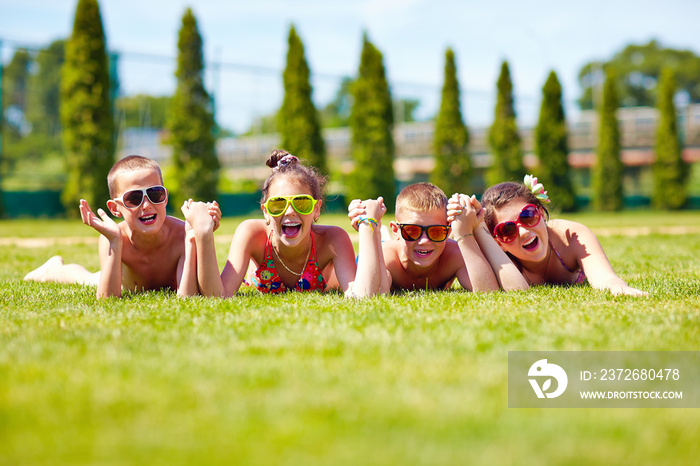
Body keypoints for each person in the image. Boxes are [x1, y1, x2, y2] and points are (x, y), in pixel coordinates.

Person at [182, 150, 382, 298]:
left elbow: (362, 297)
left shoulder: (333, 239)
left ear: (316, 209)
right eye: (278, 204)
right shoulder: (251, 233)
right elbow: (218, 296)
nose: (290, 211)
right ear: (266, 212)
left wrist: (368, 226)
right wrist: (204, 234)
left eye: (301, 203)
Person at [24, 155, 221, 298]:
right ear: (115, 209)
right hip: (122, 280)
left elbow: (187, 299)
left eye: (155, 194)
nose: (146, 205)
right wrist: (115, 242)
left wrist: (190, 239)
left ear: (165, 197)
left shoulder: (181, 234)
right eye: (134, 198)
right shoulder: (115, 237)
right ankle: (52, 269)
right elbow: (107, 300)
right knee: (89, 279)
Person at [477, 174, 647, 296]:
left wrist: (619, 288)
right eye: (507, 230)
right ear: (497, 241)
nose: (523, 231)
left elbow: (606, 279)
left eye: (528, 216)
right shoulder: (499, 258)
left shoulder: (572, 236)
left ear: (541, 214)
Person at [348, 182, 500, 293]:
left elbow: (488, 291)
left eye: (436, 232)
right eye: (412, 231)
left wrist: (465, 232)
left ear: (448, 233)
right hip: (380, 248)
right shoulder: (386, 258)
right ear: (397, 230)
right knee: (383, 243)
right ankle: (383, 233)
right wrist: (372, 231)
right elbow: (373, 293)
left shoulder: (454, 255)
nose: (424, 241)